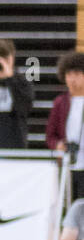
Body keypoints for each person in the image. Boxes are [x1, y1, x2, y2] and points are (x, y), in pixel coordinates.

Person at [46, 51, 84, 199]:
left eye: (77, 74)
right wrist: (58, 145)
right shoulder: (60, 102)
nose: (72, 79)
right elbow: (50, 135)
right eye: (68, 75)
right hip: (69, 165)